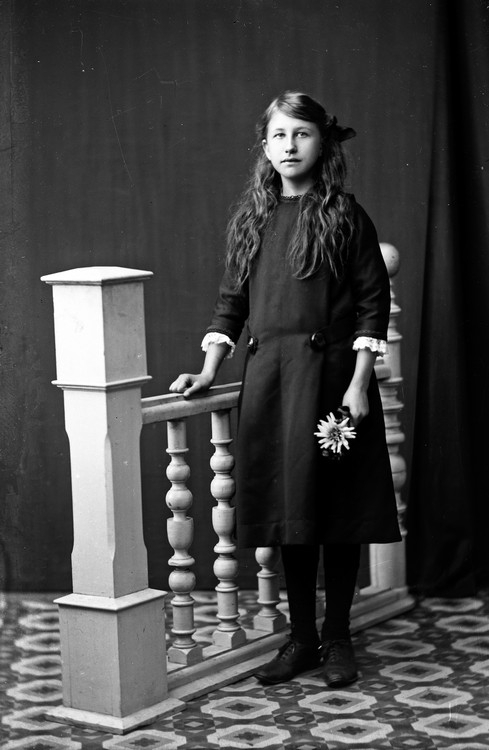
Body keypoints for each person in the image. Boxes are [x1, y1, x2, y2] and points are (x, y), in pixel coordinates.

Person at [170, 91, 401, 688]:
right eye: (279, 135)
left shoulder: (345, 215)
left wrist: (359, 384)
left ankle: (338, 637)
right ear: (265, 147)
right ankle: (301, 639)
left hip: (332, 386)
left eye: (302, 133)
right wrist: (208, 371)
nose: (290, 146)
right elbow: (231, 305)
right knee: (290, 513)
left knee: (337, 513)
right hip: (272, 384)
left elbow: (372, 305)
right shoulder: (254, 220)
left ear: (321, 143)